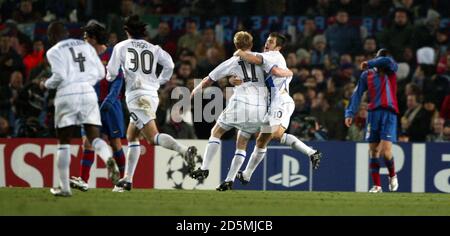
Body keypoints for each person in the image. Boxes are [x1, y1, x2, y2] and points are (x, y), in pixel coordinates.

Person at [189, 31, 293, 191]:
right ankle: (230, 180)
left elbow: (209, 79)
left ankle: (204, 168)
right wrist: (289, 72)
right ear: (251, 45)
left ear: (236, 45)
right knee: (242, 142)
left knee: (216, 132)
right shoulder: (262, 59)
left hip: (240, 104)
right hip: (261, 110)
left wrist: (195, 91)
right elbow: (273, 75)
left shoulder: (232, 61)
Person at [106, 15, 197, 192]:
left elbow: (110, 72)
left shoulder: (121, 46)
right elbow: (169, 64)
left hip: (136, 96)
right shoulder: (154, 48)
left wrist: (110, 77)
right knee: (131, 136)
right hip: (151, 95)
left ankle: (184, 150)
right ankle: (127, 180)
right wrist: (158, 81)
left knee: (152, 137)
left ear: (126, 31)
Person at [232, 33, 322, 185]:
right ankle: (246, 175)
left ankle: (311, 152)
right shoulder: (267, 57)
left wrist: (239, 51)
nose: (267, 43)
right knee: (261, 140)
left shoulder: (273, 55)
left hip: (281, 102)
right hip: (272, 104)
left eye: (271, 42)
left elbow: (257, 61)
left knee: (275, 134)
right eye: (267, 40)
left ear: (278, 47)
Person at [41, 22, 112, 197]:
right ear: (66, 33)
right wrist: (86, 81)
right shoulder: (84, 46)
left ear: (51, 37)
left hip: (67, 94)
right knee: (94, 137)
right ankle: (109, 160)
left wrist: (45, 84)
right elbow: (102, 73)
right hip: (88, 94)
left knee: (64, 143)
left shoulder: (54, 51)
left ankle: (64, 188)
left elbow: (59, 76)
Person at [69, 22, 126, 192]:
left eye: (86, 37)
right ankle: (83, 180)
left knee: (115, 143)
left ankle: (122, 181)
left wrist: (110, 100)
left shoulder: (112, 54)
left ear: (94, 39)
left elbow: (118, 79)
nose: (83, 40)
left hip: (111, 105)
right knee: (87, 142)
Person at [345, 48, 399, 193]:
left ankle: (392, 175)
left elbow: (386, 61)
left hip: (389, 113)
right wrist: (349, 113)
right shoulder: (367, 75)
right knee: (373, 151)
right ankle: (377, 186)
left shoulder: (391, 70)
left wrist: (369, 62)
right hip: (373, 114)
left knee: (385, 152)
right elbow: (357, 94)